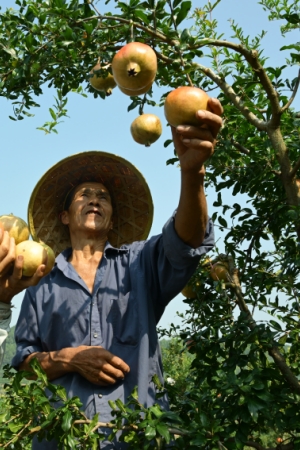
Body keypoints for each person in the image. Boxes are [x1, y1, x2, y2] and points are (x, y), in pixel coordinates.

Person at [3, 100, 223, 449]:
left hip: (136, 438)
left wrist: (192, 173)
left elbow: (186, 242)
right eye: (84, 195)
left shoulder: (140, 264)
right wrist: (68, 359)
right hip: (63, 439)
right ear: (64, 216)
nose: (95, 199)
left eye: (103, 197)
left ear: (112, 217)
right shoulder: (41, 280)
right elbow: (24, 365)